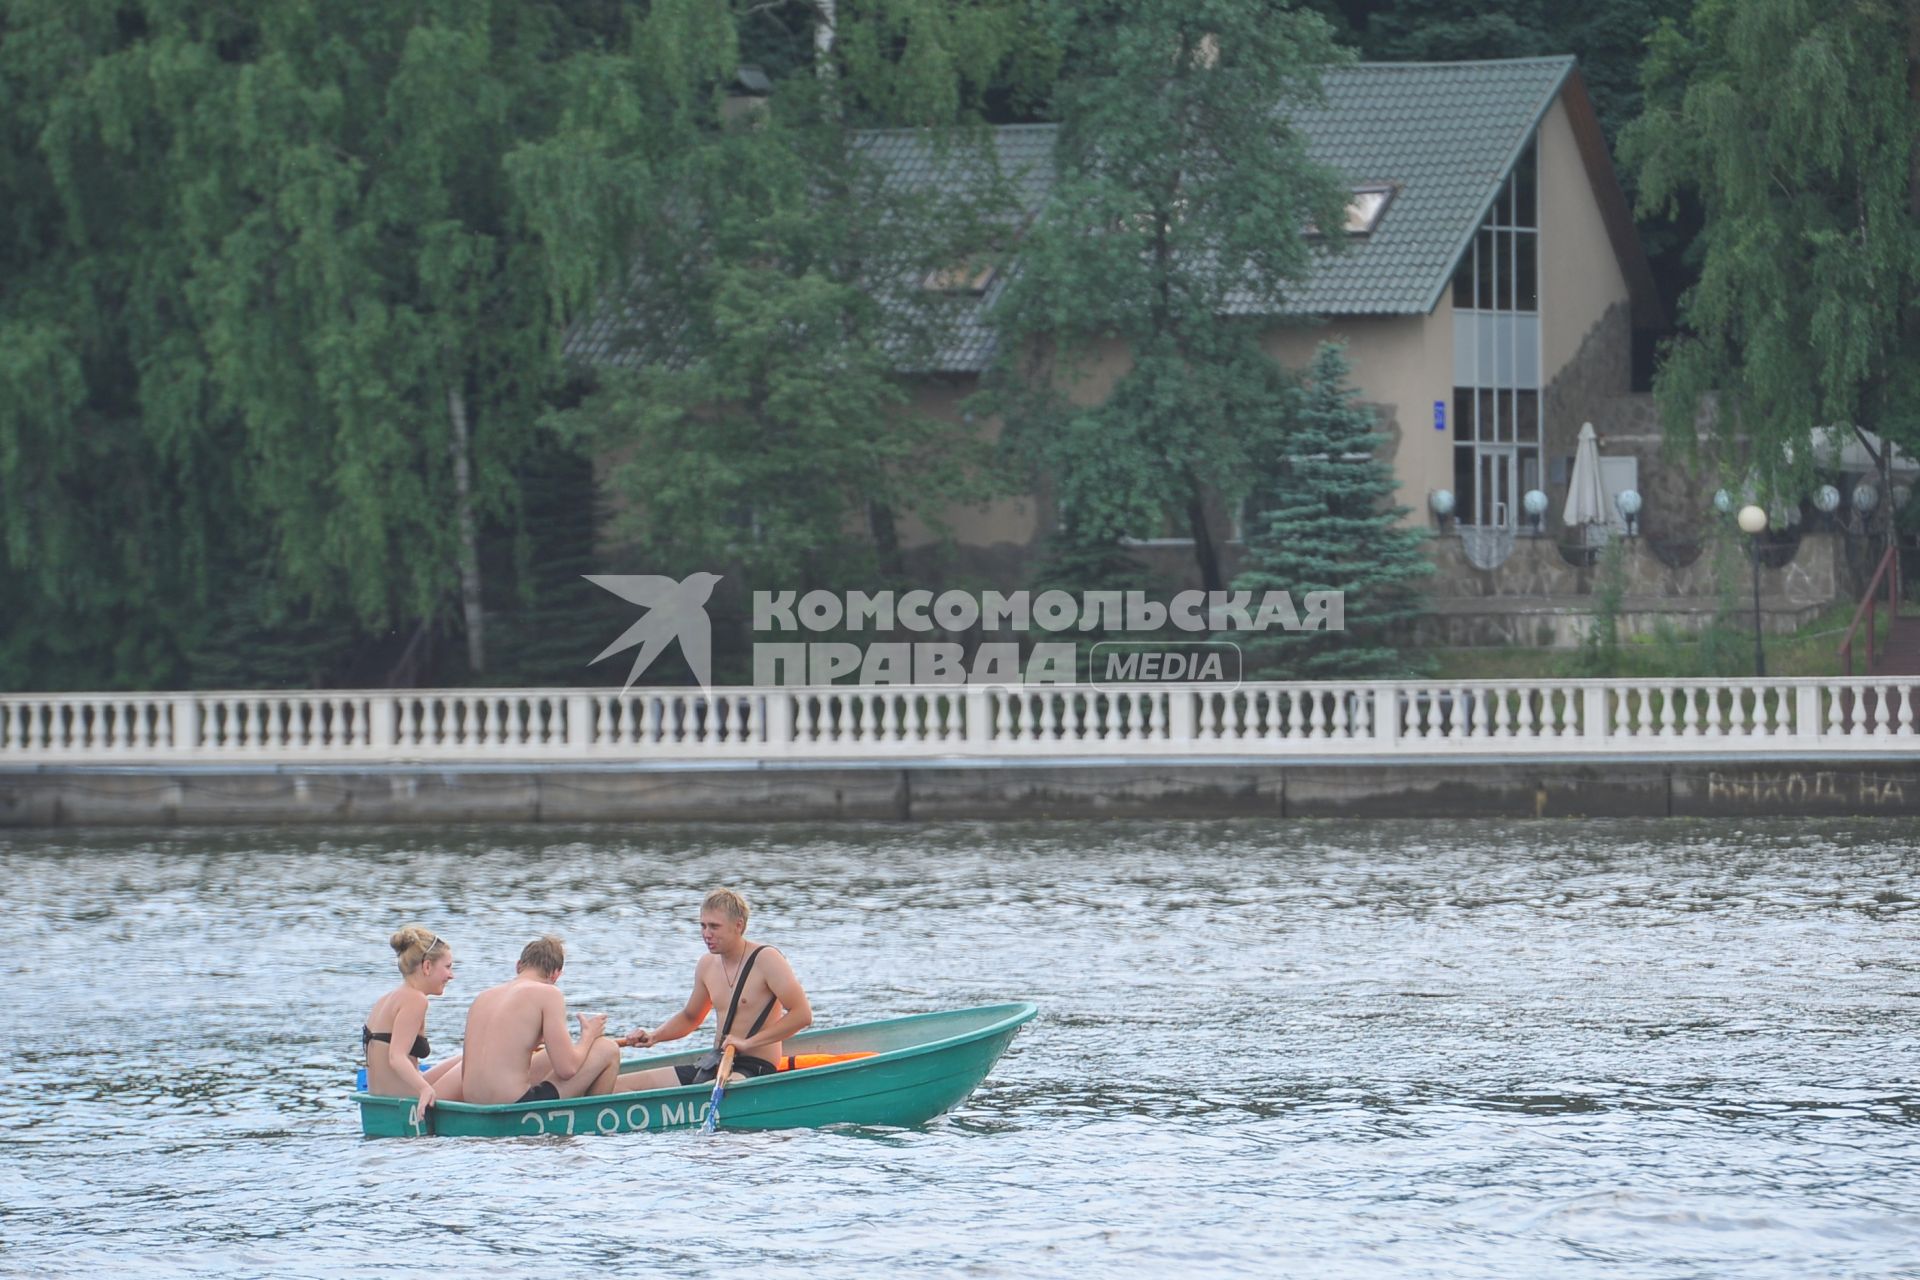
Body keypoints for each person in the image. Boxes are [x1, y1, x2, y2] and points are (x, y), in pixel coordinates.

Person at [616, 887, 812, 1091]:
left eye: (714, 927)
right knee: (619, 1086)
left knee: (707, 1091)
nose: (706, 934)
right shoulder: (707, 965)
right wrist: (654, 1036)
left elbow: (802, 1015)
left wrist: (749, 1043)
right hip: (714, 1062)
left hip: (755, 1066)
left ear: (738, 925)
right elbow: (691, 1017)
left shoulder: (767, 959)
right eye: (703, 926)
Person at [460, 935, 622, 1105]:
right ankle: (590, 1121)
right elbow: (567, 1068)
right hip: (514, 1105)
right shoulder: (549, 993)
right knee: (608, 1048)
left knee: (548, 1055)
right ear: (556, 975)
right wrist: (589, 1035)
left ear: (518, 966)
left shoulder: (483, 997)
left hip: (473, 1104)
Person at [362, 925, 464, 1116]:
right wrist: (425, 1089)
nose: (451, 975)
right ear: (427, 966)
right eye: (448, 967)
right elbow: (396, 1057)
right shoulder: (416, 999)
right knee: (475, 1064)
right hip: (405, 1100)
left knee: (467, 1057)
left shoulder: (387, 998)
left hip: (380, 1097)